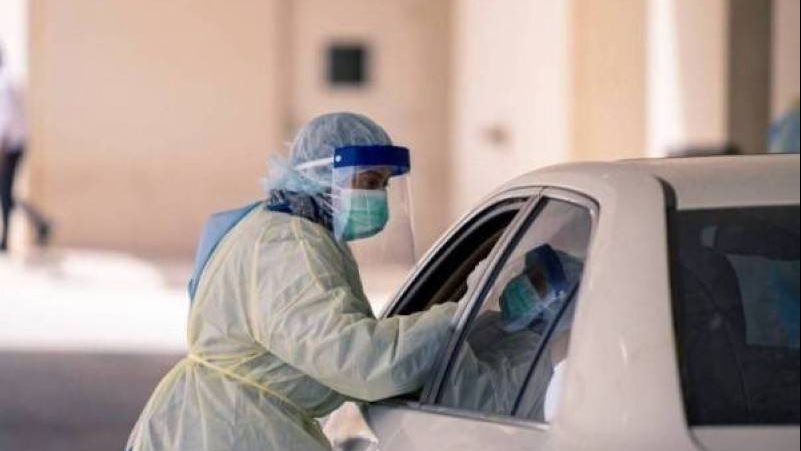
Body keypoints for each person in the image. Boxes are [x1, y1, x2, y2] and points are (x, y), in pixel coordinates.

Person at [126, 112, 457, 451]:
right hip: (229, 428)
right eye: (370, 182)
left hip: (230, 420)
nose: (379, 197)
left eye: (384, 185)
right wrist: (457, 319)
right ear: (324, 174)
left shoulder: (282, 230)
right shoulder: (287, 245)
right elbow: (357, 362)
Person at [0, 45, 49, 252]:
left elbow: (5, 119)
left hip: (9, 145)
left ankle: (6, 240)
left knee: (5, 192)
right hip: (15, 143)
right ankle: (40, 222)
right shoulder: (9, 79)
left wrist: (2, 147)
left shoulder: (4, 84)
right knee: (6, 191)